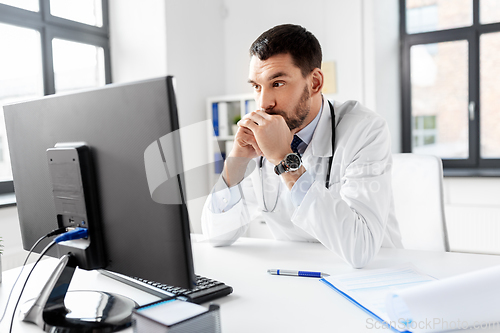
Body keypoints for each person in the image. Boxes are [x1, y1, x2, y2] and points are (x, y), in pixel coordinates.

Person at [201, 24, 402, 268]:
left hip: (374, 276)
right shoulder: (260, 140)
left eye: (277, 83)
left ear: (315, 82)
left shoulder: (365, 130)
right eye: (256, 86)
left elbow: (360, 248)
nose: (264, 102)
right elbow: (216, 236)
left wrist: (285, 159)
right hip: (299, 276)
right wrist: (236, 161)